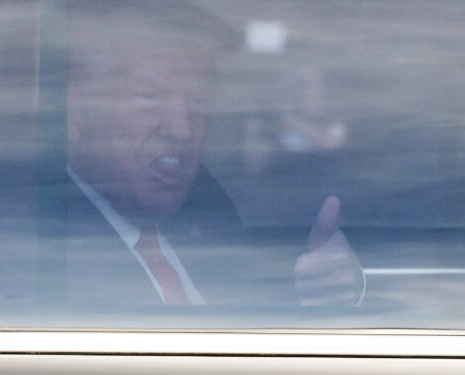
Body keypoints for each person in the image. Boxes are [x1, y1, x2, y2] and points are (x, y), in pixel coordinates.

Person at [63, 1, 364, 308]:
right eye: (149, 97)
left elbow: (254, 306)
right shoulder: (46, 247)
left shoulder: (206, 210)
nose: (181, 129)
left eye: (197, 101)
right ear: (75, 110)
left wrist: (321, 290)